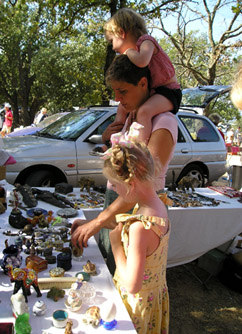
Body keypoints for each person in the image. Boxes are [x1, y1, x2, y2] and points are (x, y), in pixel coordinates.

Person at [71, 54, 178, 275]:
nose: (118, 99)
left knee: (124, 280)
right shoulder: (133, 117)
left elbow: (140, 186)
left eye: (123, 91)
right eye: (115, 92)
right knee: (106, 271)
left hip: (139, 213)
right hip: (119, 204)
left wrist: (98, 221)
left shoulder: (164, 123)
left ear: (143, 83)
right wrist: (94, 222)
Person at [102, 122, 169, 334]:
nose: (114, 189)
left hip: (136, 309)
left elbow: (132, 285)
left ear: (130, 183)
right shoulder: (159, 205)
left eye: (115, 184)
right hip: (153, 300)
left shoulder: (140, 227)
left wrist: (116, 245)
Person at [103, 8, 181, 144]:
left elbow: (142, 61)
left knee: (144, 112)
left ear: (121, 33)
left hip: (169, 91)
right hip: (154, 91)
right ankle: (116, 137)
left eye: (112, 41)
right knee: (121, 107)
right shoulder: (135, 52)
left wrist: (128, 51)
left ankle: (139, 148)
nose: (113, 48)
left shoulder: (146, 42)